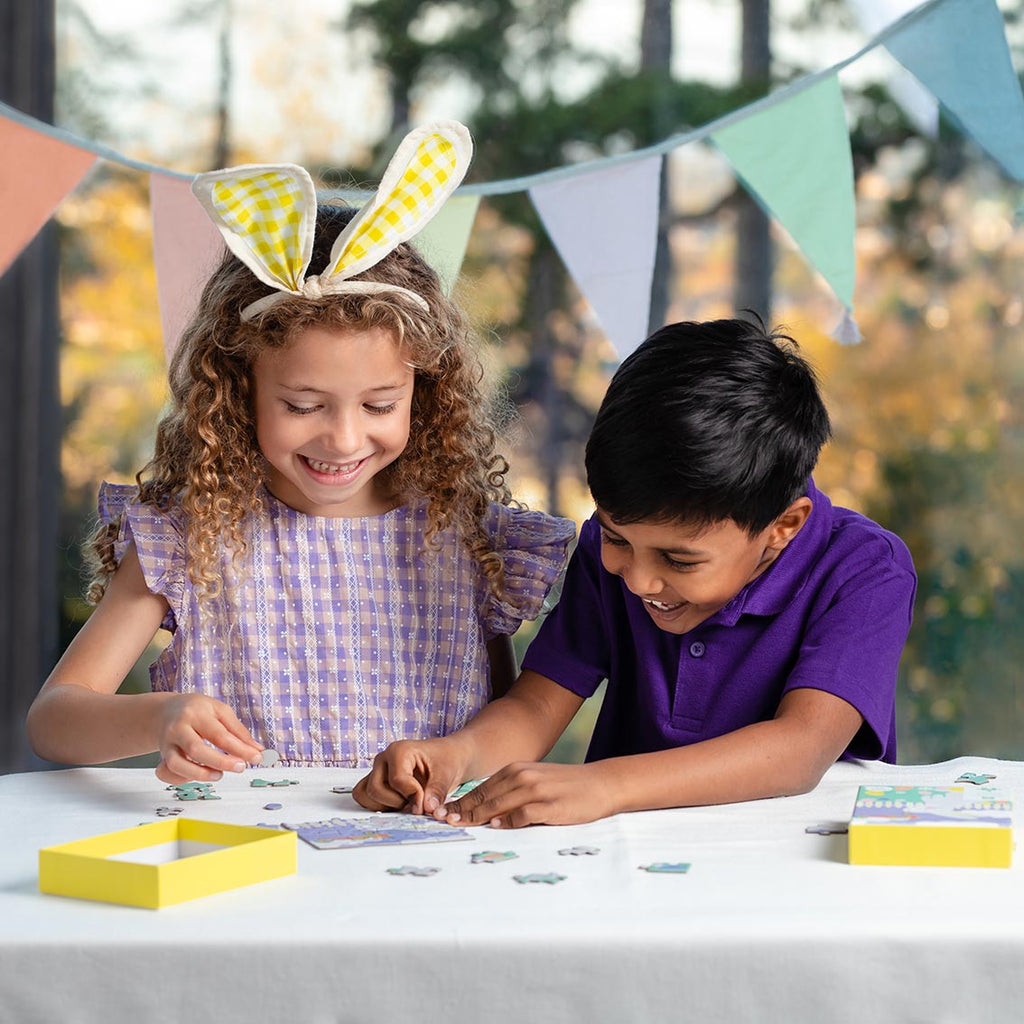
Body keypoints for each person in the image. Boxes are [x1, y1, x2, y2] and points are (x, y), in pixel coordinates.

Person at [27, 122, 574, 784]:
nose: (344, 439)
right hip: (246, 864)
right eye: (303, 406)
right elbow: (55, 721)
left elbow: (497, 731)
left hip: (427, 867)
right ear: (237, 390)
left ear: (423, 393)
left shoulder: (459, 532)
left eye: (379, 405)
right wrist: (157, 717)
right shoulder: (189, 534)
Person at [354, 317, 917, 827]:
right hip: (627, 859)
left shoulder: (864, 570)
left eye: (679, 560)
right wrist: (457, 755)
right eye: (618, 538)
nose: (640, 580)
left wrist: (606, 783)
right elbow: (536, 706)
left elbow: (800, 750)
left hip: (792, 860)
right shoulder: (608, 552)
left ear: (783, 527)